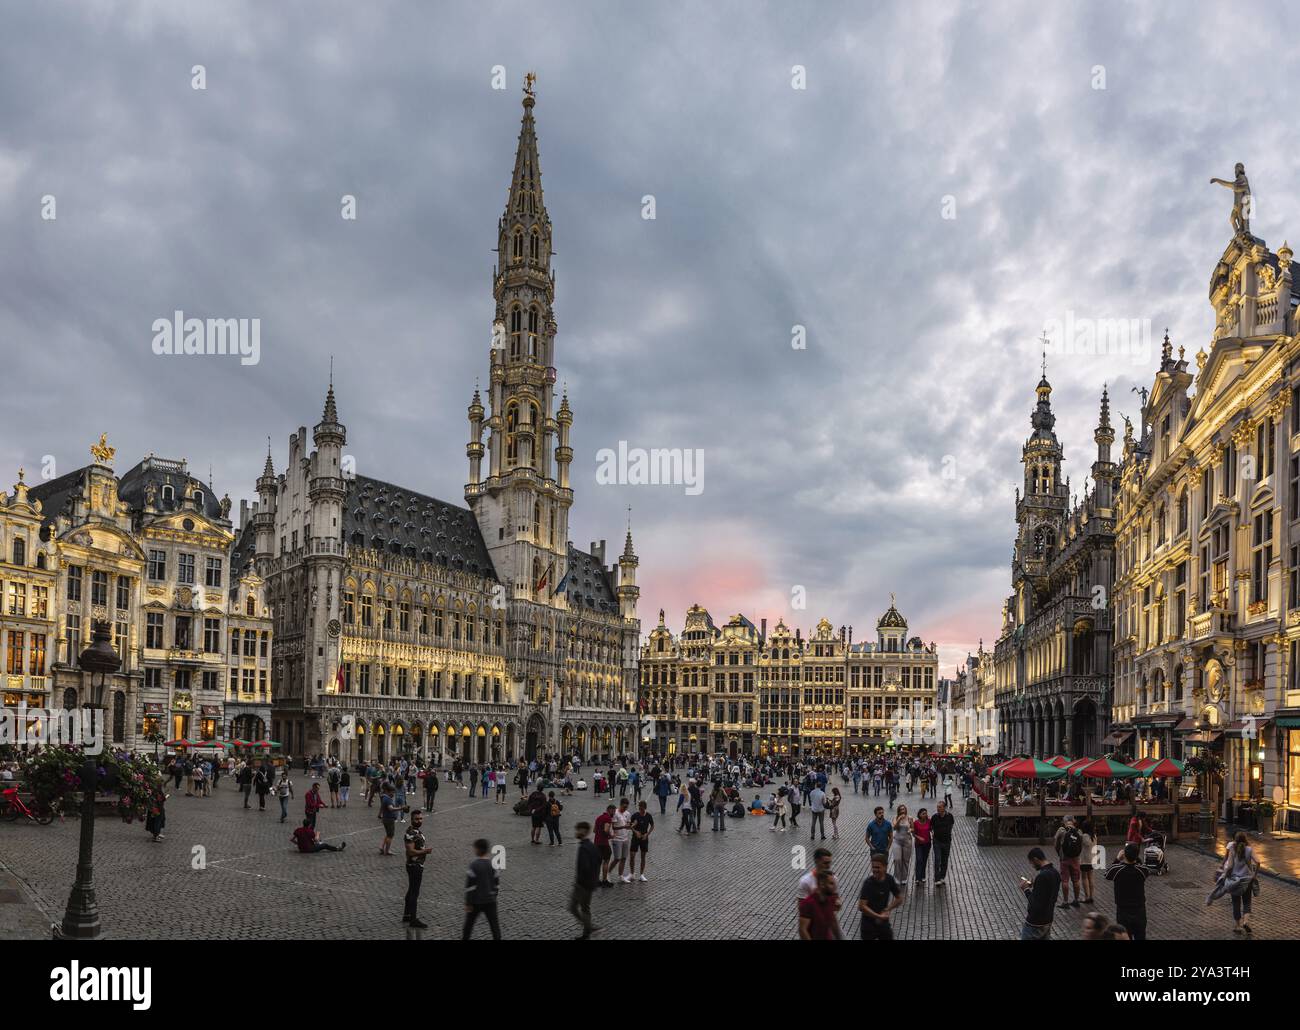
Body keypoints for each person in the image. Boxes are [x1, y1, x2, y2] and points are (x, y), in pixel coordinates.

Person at [1207, 830, 1260, 934]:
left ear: (1235, 840)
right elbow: (1258, 862)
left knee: (1236, 903)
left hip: (1234, 881)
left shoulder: (1232, 850)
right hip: (1247, 880)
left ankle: (1237, 926)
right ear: (1245, 839)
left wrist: (1225, 876)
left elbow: (1230, 866)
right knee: (1247, 903)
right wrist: (1254, 875)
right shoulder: (1249, 849)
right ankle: (1246, 922)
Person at [1104, 841, 1148, 940]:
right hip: (1139, 909)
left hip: (1123, 910)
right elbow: (1144, 866)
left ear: (1124, 854)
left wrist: (1117, 859)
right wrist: (1136, 857)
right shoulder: (1142, 870)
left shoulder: (1117, 870)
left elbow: (1107, 874)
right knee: (1140, 936)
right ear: (1137, 855)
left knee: (1124, 937)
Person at [858, 852, 903, 940]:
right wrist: (878, 916)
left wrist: (888, 909)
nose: (875, 870)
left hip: (883, 923)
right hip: (868, 925)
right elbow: (862, 906)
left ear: (885, 867)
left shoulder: (889, 879)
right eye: (873, 867)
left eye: (878, 867)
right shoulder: (868, 883)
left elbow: (899, 898)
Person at [1019, 847, 1061, 940]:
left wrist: (1026, 889)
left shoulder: (1042, 876)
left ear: (1036, 859)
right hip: (1048, 919)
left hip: (1035, 922)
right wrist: (1035, 885)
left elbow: (1035, 903)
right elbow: (1048, 893)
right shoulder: (1055, 873)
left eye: (1032, 863)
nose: (1032, 866)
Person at [463, 838, 502, 939]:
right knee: (495, 927)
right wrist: (494, 895)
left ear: (478, 849)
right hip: (490, 901)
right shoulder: (493, 865)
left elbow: (470, 886)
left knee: (468, 926)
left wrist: (468, 902)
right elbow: (497, 884)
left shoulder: (474, 865)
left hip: (476, 901)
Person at [570, 821, 601, 940]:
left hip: (582, 885)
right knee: (585, 908)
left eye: (578, 830)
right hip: (591, 884)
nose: (576, 832)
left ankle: (590, 928)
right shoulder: (592, 846)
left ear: (584, 831)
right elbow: (599, 861)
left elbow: (585, 867)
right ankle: (586, 934)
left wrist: (579, 882)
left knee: (573, 907)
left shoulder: (583, 848)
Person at [402, 809, 433, 929]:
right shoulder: (410, 833)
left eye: (420, 818)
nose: (419, 820)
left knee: (411, 890)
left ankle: (407, 914)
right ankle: (413, 919)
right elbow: (410, 851)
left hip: (416, 865)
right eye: (417, 819)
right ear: (412, 819)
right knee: (414, 892)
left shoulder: (416, 831)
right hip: (414, 866)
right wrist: (425, 851)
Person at [798, 870, 842, 940]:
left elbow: (833, 921)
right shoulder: (808, 903)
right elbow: (803, 930)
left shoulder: (831, 899)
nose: (835, 887)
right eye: (831, 883)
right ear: (822, 884)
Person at [1053, 816, 1084, 908]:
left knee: (1065, 880)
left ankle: (1065, 902)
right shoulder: (1079, 831)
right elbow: (1080, 845)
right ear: (1073, 821)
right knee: (1076, 879)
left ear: (1065, 821)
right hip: (1075, 858)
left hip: (1064, 858)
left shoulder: (1061, 830)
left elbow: (1056, 843)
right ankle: (1076, 900)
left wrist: (1059, 853)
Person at [889, 804, 914, 891]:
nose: (902, 811)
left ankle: (904, 878)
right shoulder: (895, 817)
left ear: (906, 810)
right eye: (901, 809)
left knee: (906, 860)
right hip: (897, 841)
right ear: (898, 811)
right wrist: (899, 819)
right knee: (897, 859)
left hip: (907, 841)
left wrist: (910, 830)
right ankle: (897, 877)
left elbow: (912, 828)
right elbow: (894, 828)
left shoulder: (910, 818)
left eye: (904, 809)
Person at [629, 800, 654, 882]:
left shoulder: (648, 816)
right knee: (632, 855)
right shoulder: (635, 815)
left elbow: (652, 826)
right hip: (635, 838)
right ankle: (632, 874)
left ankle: (641, 875)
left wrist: (647, 834)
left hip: (644, 838)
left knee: (643, 856)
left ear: (645, 808)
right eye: (639, 808)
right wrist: (635, 832)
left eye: (642, 809)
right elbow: (630, 825)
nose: (640, 810)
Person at [931, 800, 955, 886]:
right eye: (937, 807)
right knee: (937, 859)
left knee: (945, 860)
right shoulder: (934, 817)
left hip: (947, 841)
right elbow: (931, 827)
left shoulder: (950, 816)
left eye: (940, 807)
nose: (938, 809)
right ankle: (937, 878)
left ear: (944, 808)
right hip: (937, 841)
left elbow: (951, 825)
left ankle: (942, 876)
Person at [379, 784, 407, 855]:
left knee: (388, 834)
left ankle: (382, 847)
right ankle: (387, 851)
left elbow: (382, 808)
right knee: (390, 835)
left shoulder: (384, 798)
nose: (393, 794)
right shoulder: (387, 799)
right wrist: (401, 808)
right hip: (389, 819)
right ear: (388, 792)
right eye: (392, 792)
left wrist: (379, 814)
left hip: (386, 818)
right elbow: (391, 808)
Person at [593, 802, 616, 887]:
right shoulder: (607, 818)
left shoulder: (599, 817)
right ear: (610, 810)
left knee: (598, 862)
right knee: (606, 861)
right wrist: (610, 836)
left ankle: (596, 880)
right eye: (613, 811)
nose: (614, 813)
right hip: (603, 844)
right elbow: (606, 830)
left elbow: (594, 830)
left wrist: (601, 834)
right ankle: (604, 880)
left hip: (596, 843)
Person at [611, 797, 633, 882]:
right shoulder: (615, 813)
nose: (625, 809)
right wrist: (624, 826)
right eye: (624, 807)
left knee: (623, 858)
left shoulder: (627, 813)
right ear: (620, 805)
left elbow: (628, 825)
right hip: (617, 839)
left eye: (626, 807)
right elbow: (613, 827)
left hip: (625, 838)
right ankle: (608, 872)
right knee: (617, 858)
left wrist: (631, 826)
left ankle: (620, 876)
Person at [1078, 818, 1097, 904]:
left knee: (1084, 878)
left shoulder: (1085, 836)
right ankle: (1092, 896)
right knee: (1091, 877)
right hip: (1092, 859)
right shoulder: (1094, 836)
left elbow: (1084, 843)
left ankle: (1087, 897)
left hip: (1085, 860)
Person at [913, 807, 932, 885]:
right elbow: (913, 833)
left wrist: (933, 833)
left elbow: (931, 829)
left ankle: (923, 876)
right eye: (923, 813)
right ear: (919, 815)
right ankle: (917, 878)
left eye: (926, 813)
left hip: (927, 843)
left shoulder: (929, 821)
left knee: (924, 860)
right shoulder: (916, 823)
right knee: (919, 859)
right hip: (918, 844)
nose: (925, 815)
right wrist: (918, 837)